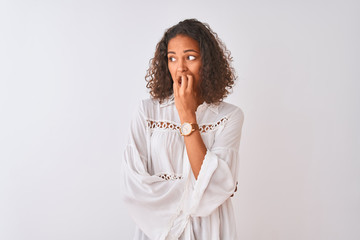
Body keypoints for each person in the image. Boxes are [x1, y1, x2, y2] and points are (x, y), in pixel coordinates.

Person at [121, 18, 244, 240]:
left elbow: (217, 185)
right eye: (172, 58)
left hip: (209, 230)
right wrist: (201, 190)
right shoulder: (147, 112)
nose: (180, 67)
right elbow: (134, 186)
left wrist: (187, 114)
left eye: (190, 57)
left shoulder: (229, 116)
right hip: (158, 232)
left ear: (207, 63)